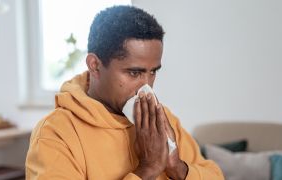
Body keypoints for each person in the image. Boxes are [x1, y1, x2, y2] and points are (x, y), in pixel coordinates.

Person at [26, 5, 224, 180]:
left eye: (153, 71)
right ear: (94, 65)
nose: (146, 88)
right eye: (134, 72)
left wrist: (177, 168)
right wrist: (149, 169)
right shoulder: (55, 133)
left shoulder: (162, 119)